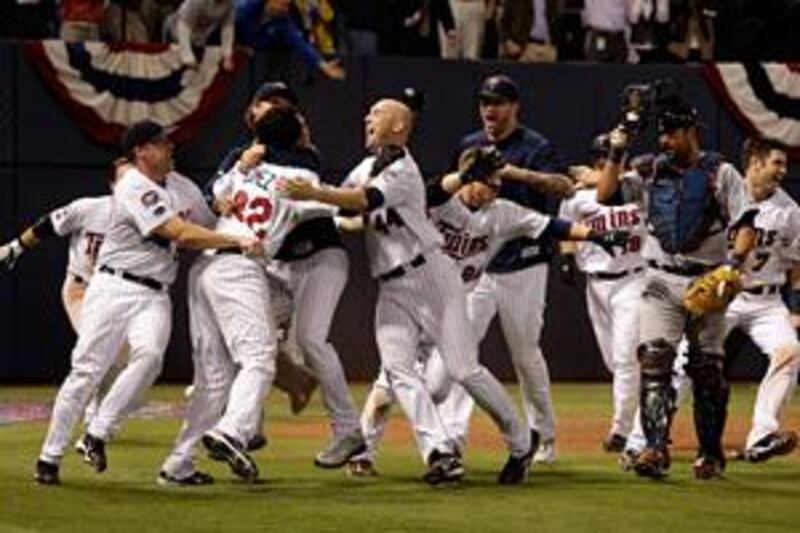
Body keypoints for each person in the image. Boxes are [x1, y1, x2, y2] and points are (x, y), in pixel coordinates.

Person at [347, 149, 629, 476]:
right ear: (467, 177)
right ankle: (372, 451)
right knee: (391, 383)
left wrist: (595, 235)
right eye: (485, 182)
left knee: (445, 382)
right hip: (412, 298)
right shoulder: (438, 201)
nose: (491, 191)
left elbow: (552, 225)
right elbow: (432, 190)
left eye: (496, 186)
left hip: (451, 307)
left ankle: (512, 443)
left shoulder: (501, 212)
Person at [33, 120, 261, 485]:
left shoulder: (182, 186)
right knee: (87, 371)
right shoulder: (132, 185)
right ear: (141, 152)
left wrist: (223, 209)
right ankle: (49, 456)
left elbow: (209, 225)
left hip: (155, 293)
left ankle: (97, 432)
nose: (171, 147)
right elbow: (179, 233)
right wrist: (238, 242)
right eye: (162, 143)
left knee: (150, 357)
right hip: (112, 287)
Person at [159, 106, 340, 485]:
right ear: (295, 137)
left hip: (205, 269)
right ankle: (233, 432)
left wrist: (244, 164)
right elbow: (332, 209)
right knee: (259, 358)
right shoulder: (301, 173)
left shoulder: (242, 166)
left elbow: (218, 197)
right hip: (239, 267)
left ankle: (179, 463)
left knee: (214, 377)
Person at [208, 80, 366, 469]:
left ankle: (348, 431)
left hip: (318, 259)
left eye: (282, 105)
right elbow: (341, 208)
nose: (273, 108)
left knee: (309, 341)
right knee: (254, 343)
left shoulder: (257, 162)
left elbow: (220, 188)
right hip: (272, 266)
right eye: (269, 102)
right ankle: (246, 428)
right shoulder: (262, 160)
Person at [596, 100, 752, 479]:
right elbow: (605, 194)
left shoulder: (721, 172)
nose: (665, 140)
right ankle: (653, 449)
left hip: (707, 280)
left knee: (707, 373)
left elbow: (745, 224)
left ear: (690, 132)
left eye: (672, 133)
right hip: (660, 279)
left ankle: (711, 454)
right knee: (654, 361)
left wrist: (732, 267)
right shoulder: (651, 170)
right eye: (662, 133)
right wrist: (617, 152)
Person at [454, 74, 574, 464]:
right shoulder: (471, 145)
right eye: (485, 102)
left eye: (499, 102)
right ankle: (453, 436)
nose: (490, 109)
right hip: (479, 265)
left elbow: (564, 187)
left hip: (523, 263)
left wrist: (514, 173)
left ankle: (546, 435)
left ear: (514, 106)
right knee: (460, 350)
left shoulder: (535, 146)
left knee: (524, 354)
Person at [1, 159, 133, 442]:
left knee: (122, 355)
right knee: (99, 347)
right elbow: (48, 225)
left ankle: (96, 409)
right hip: (82, 289)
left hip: (120, 293)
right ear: (112, 184)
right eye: (124, 178)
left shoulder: (149, 216)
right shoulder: (90, 208)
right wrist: (16, 247)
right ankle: (68, 431)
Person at [558, 134, 646, 453]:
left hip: (633, 280)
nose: (604, 160)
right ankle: (640, 418)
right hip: (595, 284)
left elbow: (628, 176)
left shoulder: (637, 185)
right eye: (601, 155)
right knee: (615, 360)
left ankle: (623, 430)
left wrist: (596, 176)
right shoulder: (578, 197)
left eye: (609, 155)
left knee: (625, 358)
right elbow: (565, 227)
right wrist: (567, 257)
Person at [234, 0, 346, 80]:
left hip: (250, 65)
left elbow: (301, 44)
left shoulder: (283, 21)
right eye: (282, 4)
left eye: (288, 5)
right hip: (227, 56)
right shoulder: (244, 8)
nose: (285, 9)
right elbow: (223, 28)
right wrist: (236, 47)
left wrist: (323, 65)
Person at [163, 0, 236, 70]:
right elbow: (183, 28)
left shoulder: (229, 4)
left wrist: (227, 55)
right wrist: (187, 56)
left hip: (199, 36)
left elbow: (227, 28)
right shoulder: (196, 1)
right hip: (175, 32)